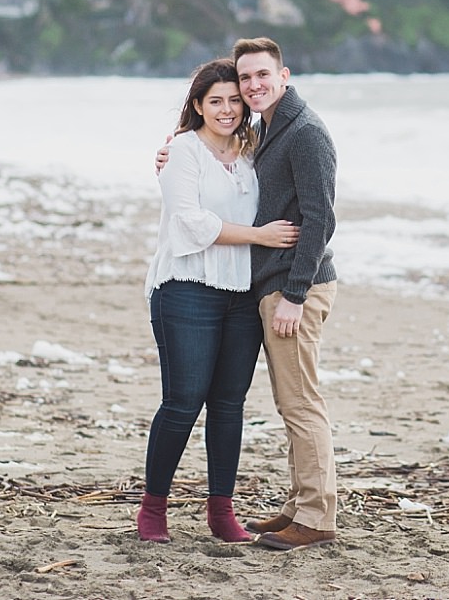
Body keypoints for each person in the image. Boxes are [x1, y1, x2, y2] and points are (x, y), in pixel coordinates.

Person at [158, 37, 340, 551]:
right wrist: (172, 155)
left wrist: (295, 294)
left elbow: (321, 219)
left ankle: (316, 517)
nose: (253, 86)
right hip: (271, 283)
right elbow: (217, 169)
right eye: (245, 79)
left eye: (263, 76)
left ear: (284, 76)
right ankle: (299, 505)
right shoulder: (264, 130)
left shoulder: (305, 133)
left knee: (301, 403)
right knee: (291, 402)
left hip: (293, 286)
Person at [138, 58, 300, 544]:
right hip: (185, 288)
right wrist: (260, 236)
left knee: (229, 405)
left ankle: (221, 512)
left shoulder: (255, 150)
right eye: (216, 101)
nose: (228, 109)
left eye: (235, 99)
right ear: (197, 106)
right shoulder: (183, 151)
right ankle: (153, 509)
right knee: (183, 402)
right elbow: (190, 223)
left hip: (241, 293)